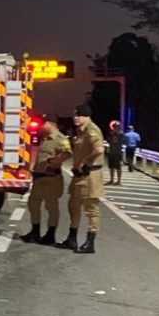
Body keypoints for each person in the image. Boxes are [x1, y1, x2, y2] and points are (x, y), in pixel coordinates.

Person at [56, 104, 104, 253]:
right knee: (73, 207)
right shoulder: (80, 132)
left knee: (91, 210)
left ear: (86, 116)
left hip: (90, 176)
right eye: (75, 115)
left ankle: (90, 243)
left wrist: (84, 161)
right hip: (78, 176)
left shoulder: (92, 130)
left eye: (79, 115)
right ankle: (72, 239)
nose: (75, 118)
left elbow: (99, 149)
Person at [21, 115, 71, 245]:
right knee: (33, 203)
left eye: (43, 125)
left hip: (51, 178)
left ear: (50, 124)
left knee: (51, 207)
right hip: (40, 178)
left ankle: (50, 234)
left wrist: (53, 162)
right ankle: (35, 232)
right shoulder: (44, 138)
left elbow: (67, 153)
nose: (41, 128)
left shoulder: (60, 138)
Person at [106, 120, 124, 185]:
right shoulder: (111, 134)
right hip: (112, 152)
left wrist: (115, 133)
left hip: (117, 152)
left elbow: (122, 141)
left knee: (118, 167)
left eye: (116, 127)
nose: (115, 128)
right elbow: (108, 140)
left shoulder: (121, 134)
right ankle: (112, 180)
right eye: (114, 127)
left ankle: (119, 180)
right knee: (111, 167)